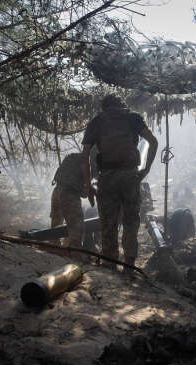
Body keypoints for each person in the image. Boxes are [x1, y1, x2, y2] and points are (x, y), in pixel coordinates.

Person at [81, 94, 158, 272]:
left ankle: (110, 264)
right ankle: (129, 266)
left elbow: (85, 155)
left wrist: (88, 185)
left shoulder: (97, 121)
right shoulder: (133, 118)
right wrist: (145, 170)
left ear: (104, 107)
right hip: (130, 176)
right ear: (121, 104)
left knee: (108, 223)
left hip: (107, 178)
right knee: (131, 221)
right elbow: (153, 141)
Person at [50, 152, 86, 248]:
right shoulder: (89, 161)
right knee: (77, 226)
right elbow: (86, 191)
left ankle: (54, 248)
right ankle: (75, 253)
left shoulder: (72, 156)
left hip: (57, 191)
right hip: (69, 195)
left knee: (55, 224)